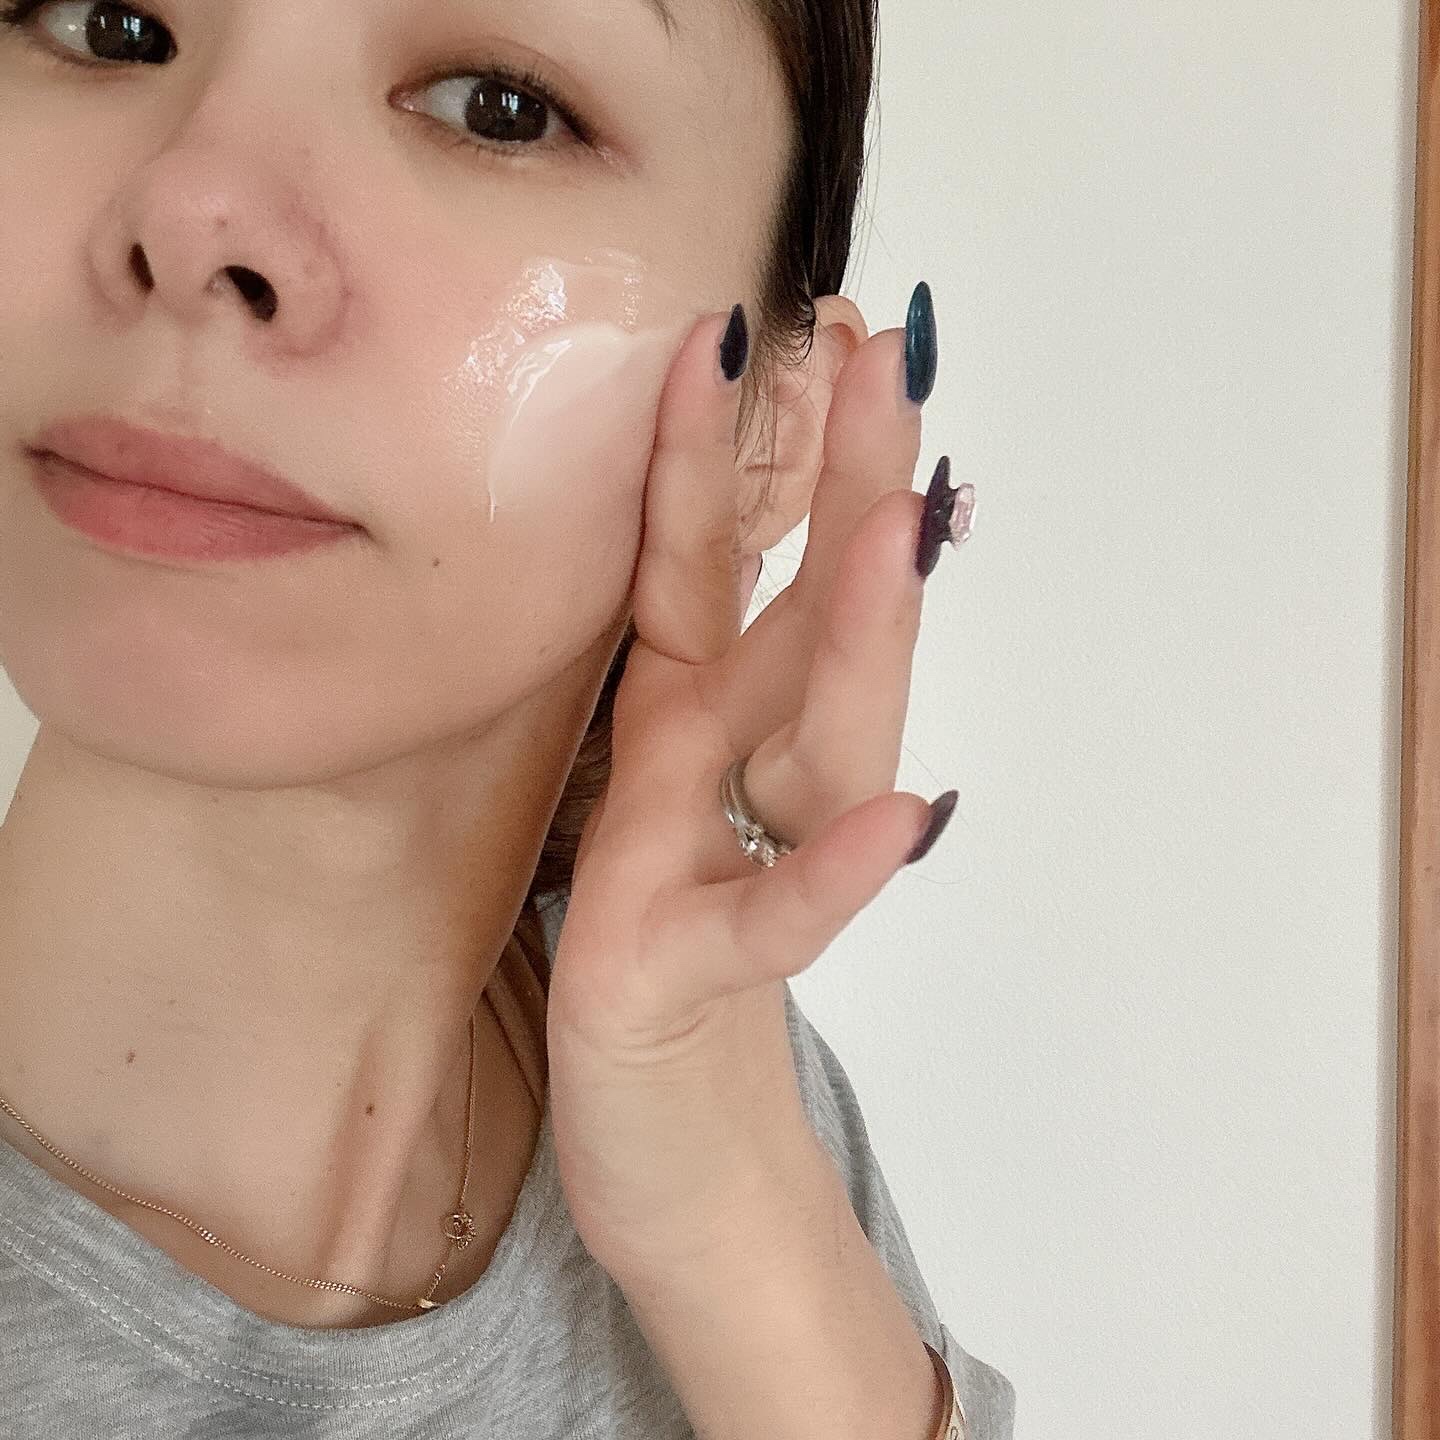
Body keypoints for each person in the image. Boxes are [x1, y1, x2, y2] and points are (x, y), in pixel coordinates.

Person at [0, 0, 1017, 1435]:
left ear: (776, 429)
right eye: (110, 25)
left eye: (497, 106)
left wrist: (736, 1226)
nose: (192, 210)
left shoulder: (707, 1076)